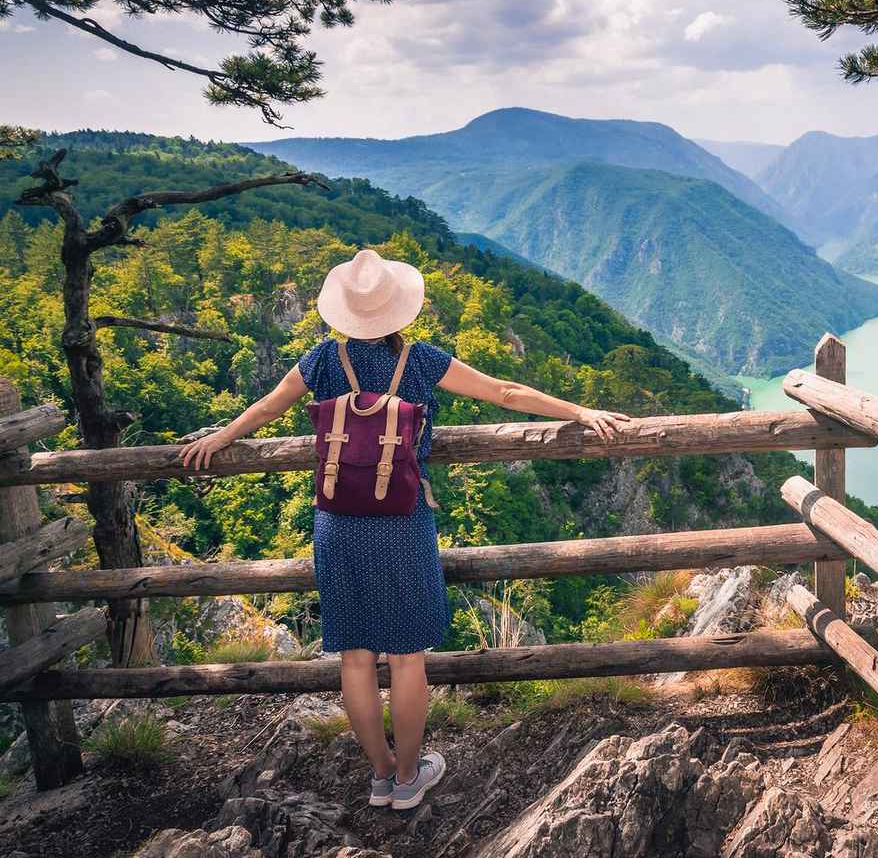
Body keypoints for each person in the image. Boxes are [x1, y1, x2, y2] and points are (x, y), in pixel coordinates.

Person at [178, 249, 632, 810]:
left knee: (355, 658)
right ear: (398, 310)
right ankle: (410, 778)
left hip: (337, 522)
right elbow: (505, 392)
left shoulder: (322, 359)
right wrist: (579, 411)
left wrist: (219, 439)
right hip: (400, 519)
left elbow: (268, 408)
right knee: (408, 656)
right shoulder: (419, 362)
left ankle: (380, 775)